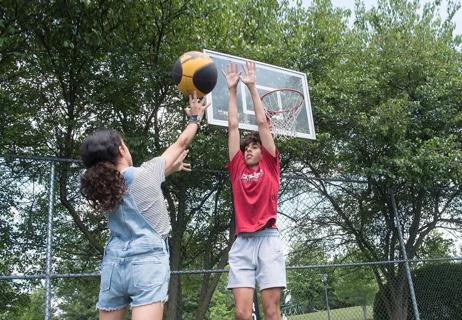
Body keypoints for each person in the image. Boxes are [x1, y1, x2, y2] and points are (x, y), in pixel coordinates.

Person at [79, 93, 208, 320]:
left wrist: (168, 170)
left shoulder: (102, 187)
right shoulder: (144, 175)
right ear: (121, 150)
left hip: (114, 263)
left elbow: (129, 185)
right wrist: (195, 119)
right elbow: (181, 143)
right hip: (147, 261)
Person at [222, 61, 286, 320]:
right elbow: (234, 126)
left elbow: (262, 123)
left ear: (264, 151)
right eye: (246, 148)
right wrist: (232, 91)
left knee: (271, 312)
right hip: (243, 243)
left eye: (254, 147)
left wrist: (251, 86)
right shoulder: (237, 168)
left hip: (268, 240)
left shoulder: (270, 165)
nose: (248, 149)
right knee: (241, 314)